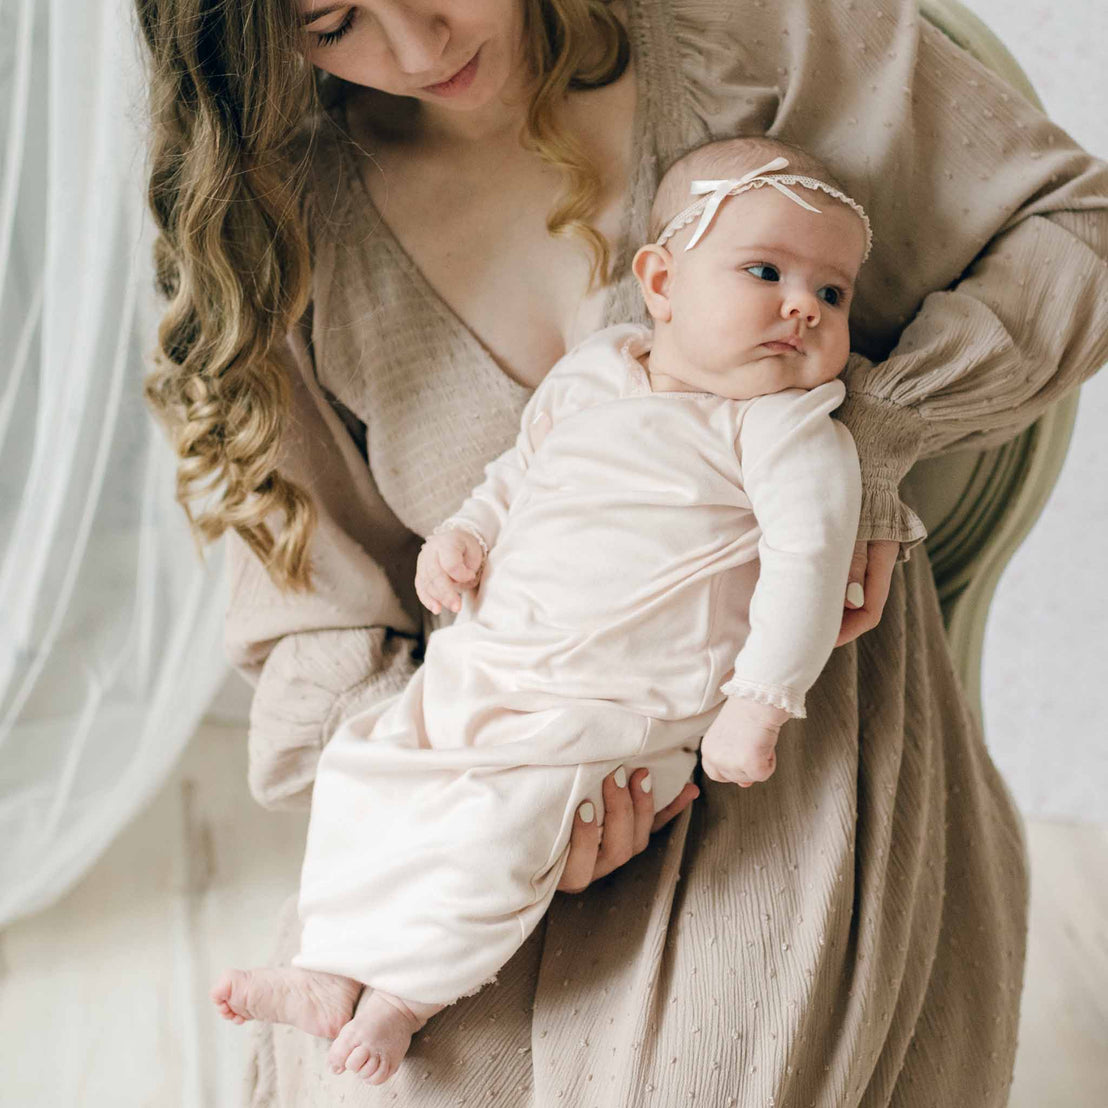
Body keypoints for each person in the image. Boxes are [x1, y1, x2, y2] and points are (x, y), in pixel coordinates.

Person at [134, 0, 1108, 1103]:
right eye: (333, 19)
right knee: (370, 1070)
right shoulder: (289, 223)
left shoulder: (761, 38)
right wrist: (481, 803)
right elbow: (318, 601)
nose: (417, 48)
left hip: (791, 735)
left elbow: (1081, 228)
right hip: (488, 761)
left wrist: (864, 440)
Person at [209, 135, 872, 1084]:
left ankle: (405, 997)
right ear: (661, 281)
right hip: (497, 659)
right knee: (367, 765)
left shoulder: (783, 429)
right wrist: (465, 537)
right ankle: (324, 963)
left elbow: (810, 566)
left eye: (834, 293)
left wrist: (760, 703)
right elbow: (517, 472)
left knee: (503, 827)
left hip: (611, 707)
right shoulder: (600, 370)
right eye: (765, 271)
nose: (804, 305)